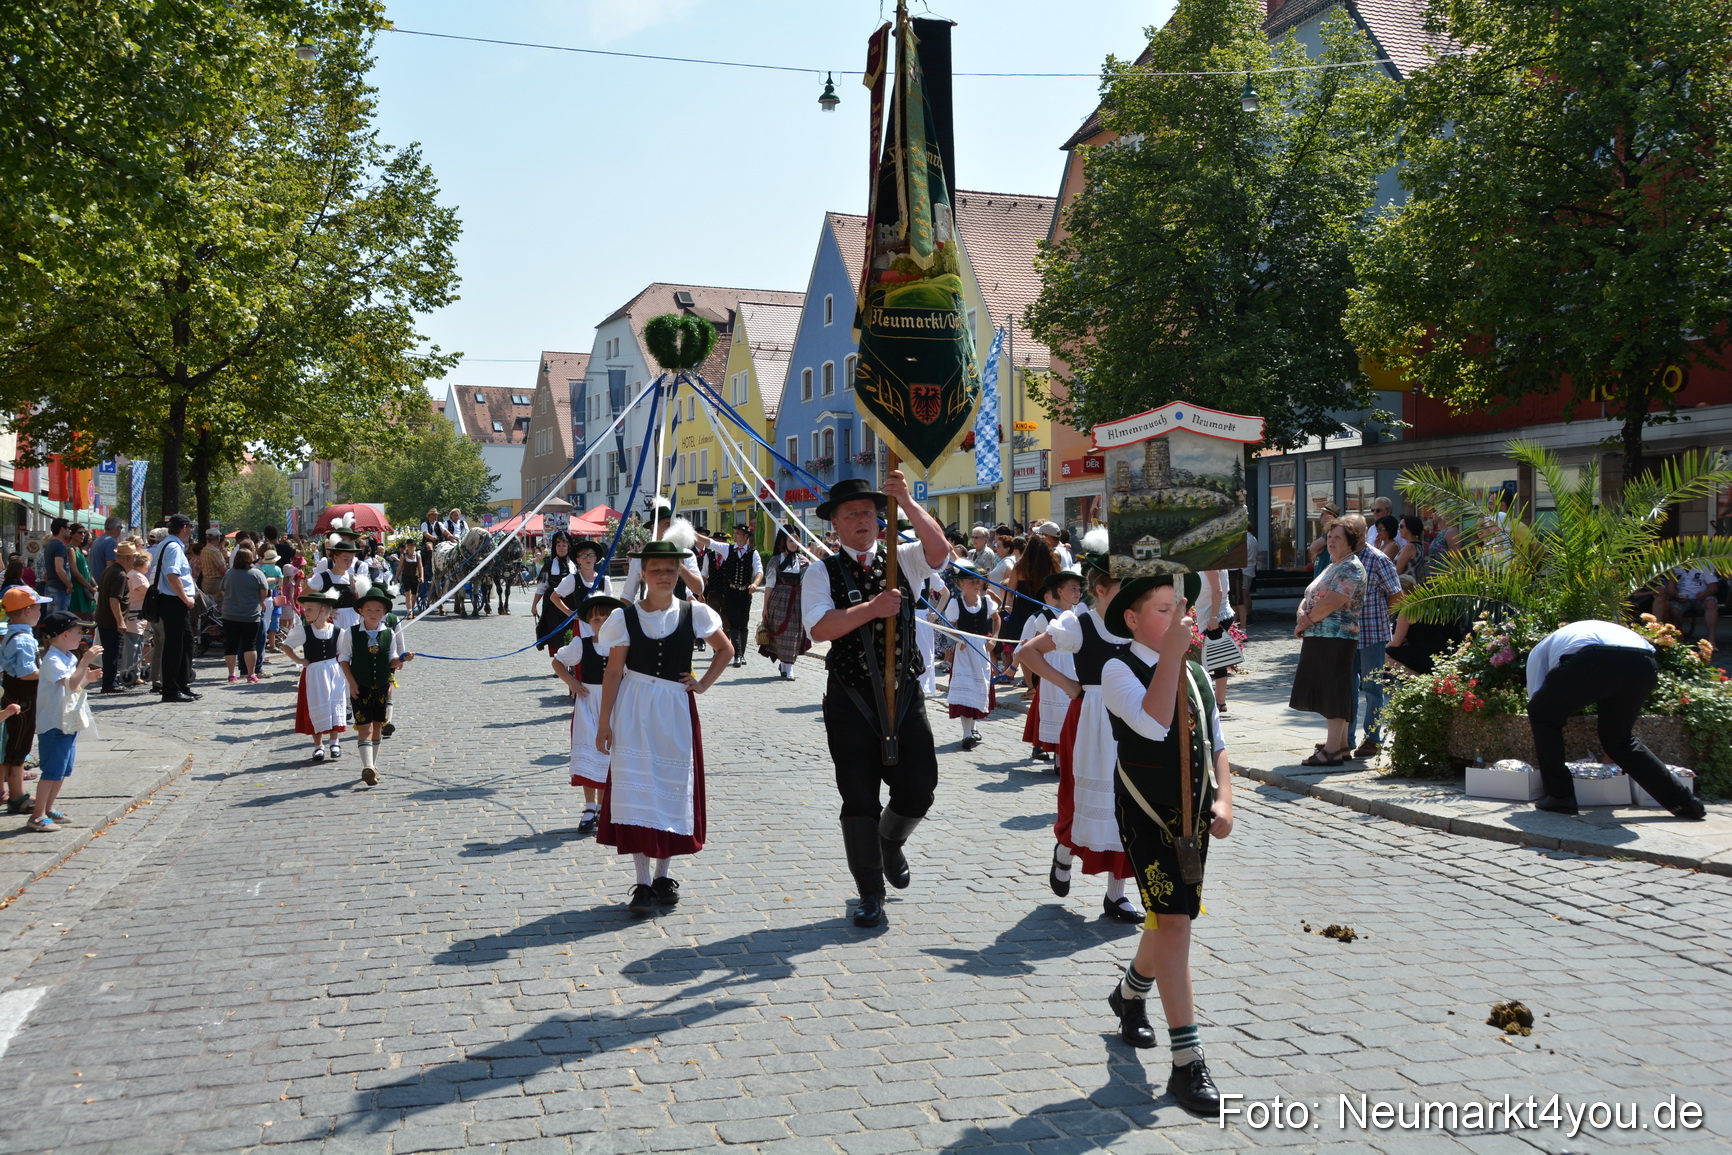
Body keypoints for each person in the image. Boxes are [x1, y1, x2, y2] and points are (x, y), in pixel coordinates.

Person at [1099, 572, 1233, 1118]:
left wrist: (1226, 799)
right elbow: (1153, 725)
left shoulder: (1198, 674)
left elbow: (1217, 741)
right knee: (1175, 920)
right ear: (1131, 620)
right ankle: (1188, 1060)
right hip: (1148, 817)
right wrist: (1174, 657)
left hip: (1195, 820)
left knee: (1169, 916)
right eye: (1160, 610)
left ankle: (1129, 993)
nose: (1176, 618)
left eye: (1178, 608)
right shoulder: (1117, 668)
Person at [802, 474, 951, 929]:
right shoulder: (820, 570)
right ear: (836, 525)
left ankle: (890, 841)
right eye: (852, 514)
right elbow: (820, 629)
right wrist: (871, 609)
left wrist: (904, 498)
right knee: (859, 798)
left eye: (868, 512)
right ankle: (870, 892)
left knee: (918, 788)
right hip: (852, 700)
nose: (862, 520)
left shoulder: (901, 559)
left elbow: (940, 553)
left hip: (905, 696)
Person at [594, 540, 733, 916]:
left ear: (679, 574)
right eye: (655, 569)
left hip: (674, 708)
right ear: (642, 573)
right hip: (635, 706)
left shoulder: (695, 612)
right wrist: (604, 722)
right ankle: (641, 882)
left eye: (670, 570)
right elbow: (612, 671)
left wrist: (702, 684)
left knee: (670, 789)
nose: (663, 576)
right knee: (638, 789)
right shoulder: (624, 617)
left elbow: (726, 650)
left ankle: (663, 875)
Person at [1015, 534, 1139, 924]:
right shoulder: (1079, 622)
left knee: (1130, 800)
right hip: (1090, 720)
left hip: (1131, 718)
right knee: (1079, 797)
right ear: (1101, 588)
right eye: (1124, 587)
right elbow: (1026, 652)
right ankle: (1064, 851)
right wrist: (1070, 686)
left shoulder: (1137, 621)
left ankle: (1115, 895)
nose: (1132, 595)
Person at [1526, 620, 1706, 820]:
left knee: (1541, 714)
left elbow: (1539, 701)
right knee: (1619, 740)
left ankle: (1559, 796)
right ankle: (1684, 802)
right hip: (1643, 663)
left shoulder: (1537, 653)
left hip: (1596, 658)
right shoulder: (1570, 636)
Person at [1288, 519, 1366, 765]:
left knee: (1333, 691)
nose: (1331, 541)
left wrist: (1305, 621)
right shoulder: (1334, 565)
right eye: (1330, 536)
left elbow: (1333, 601)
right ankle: (1340, 745)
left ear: (1351, 542)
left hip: (1336, 637)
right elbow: (1310, 595)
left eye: (1338, 538)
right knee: (1333, 689)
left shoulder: (1351, 567)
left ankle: (1332, 751)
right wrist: (1303, 613)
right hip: (1321, 636)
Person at [552, 593, 625, 832]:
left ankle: (605, 807)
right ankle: (589, 805)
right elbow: (557, 661)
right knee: (589, 752)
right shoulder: (581, 644)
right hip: (588, 703)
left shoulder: (622, 646)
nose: (601, 624)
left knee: (607, 755)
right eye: (596, 620)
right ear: (588, 623)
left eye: (606, 619)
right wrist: (571, 683)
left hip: (614, 704)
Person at [27, 610, 101, 833]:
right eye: (79, 632)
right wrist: (86, 661)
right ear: (63, 634)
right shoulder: (52, 660)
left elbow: (75, 688)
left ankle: (48, 808)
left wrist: (88, 677)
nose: (83, 636)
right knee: (51, 772)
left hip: (68, 722)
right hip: (54, 724)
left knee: (62, 771)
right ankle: (37, 815)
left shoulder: (68, 657)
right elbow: (68, 684)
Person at [1342, 513, 1403, 760]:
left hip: (1371, 634)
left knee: (1372, 688)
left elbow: (1396, 595)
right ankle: (1345, 739)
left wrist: (1382, 620)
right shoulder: (1343, 559)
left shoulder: (1378, 560)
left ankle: (1372, 739)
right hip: (1346, 635)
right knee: (1348, 688)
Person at [339, 588, 407, 786]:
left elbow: (391, 660)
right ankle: (367, 766)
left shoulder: (388, 633)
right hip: (361, 688)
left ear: (384, 613)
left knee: (378, 726)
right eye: (369, 609)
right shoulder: (350, 633)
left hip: (381, 688)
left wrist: (403, 658)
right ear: (361, 611)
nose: (373, 613)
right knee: (364, 727)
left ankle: (372, 765)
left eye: (378, 610)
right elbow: (343, 659)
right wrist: (351, 683)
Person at [1017, 569, 1083, 765]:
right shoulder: (1044, 616)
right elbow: (1034, 647)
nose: (1078, 593)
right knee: (1057, 709)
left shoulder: (1079, 615)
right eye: (1073, 588)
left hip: (1072, 663)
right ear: (1060, 591)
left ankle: (1066, 755)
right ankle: (1058, 758)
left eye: (1079, 589)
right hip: (1054, 664)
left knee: (1070, 707)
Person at [279, 589, 347, 762]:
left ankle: (334, 741)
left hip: (333, 672)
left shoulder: (338, 631)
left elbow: (344, 651)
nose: (305, 612)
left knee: (334, 704)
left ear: (322, 610)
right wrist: (300, 660)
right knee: (316, 705)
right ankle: (318, 746)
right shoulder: (303, 631)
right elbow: (286, 645)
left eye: (310, 609)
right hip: (314, 673)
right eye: (305, 608)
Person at [1, 588, 51, 816]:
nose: (41, 611)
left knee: (16, 746)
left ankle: (15, 792)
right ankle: (17, 796)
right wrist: (47, 672)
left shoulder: (14, 633)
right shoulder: (22, 639)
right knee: (19, 748)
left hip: (17, 695)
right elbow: (25, 672)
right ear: (28, 610)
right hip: (22, 698)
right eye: (38, 607)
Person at [942, 562, 1000, 750]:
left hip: (981, 649)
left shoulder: (986, 602)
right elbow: (949, 626)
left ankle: (973, 729)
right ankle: (966, 733)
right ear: (961, 585)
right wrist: (959, 639)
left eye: (977, 581)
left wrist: (994, 639)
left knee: (979, 686)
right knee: (965, 687)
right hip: (964, 651)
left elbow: (997, 619)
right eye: (970, 582)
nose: (975, 585)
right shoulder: (955, 603)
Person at [151, 514, 200, 703]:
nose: (192, 531)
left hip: (174, 600)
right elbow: (172, 576)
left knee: (186, 643)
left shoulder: (170, 544)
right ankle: (171, 689)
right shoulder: (173, 547)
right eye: (190, 528)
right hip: (173, 601)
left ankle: (182, 684)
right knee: (174, 646)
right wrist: (186, 598)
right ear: (185, 528)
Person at [698, 523, 761, 667]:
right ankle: (737, 656)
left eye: (738, 533)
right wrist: (693, 533)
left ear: (746, 536)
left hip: (745, 592)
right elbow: (710, 543)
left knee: (744, 624)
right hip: (730, 592)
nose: (735, 535)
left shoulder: (753, 552)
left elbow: (759, 571)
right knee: (733, 623)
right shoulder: (728, 549)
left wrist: (755, 584)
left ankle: (742, 654)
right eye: (736, 533)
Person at [759, 527, 813, 680]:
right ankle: (785, 664)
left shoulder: (804, 562)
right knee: (780, 633)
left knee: (793, 633)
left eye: (796, 540)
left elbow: (806, 585)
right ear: (784, 542)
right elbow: (769, 584)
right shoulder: (775, 560)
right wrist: (765, 607)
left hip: (796, 601)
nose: (794, 543)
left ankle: (788, 666)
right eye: (790, 540)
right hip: (778, 600)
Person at [623, 501, 705, 602]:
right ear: (653, 528)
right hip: (650, 614)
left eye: (674, 525)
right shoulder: (640, 558)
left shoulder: (686, 555)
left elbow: (699, 589)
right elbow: (627, 596)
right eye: (667, 524)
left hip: (679, 614)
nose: (672, 529)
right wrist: (631, 616)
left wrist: (679, 566)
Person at [219, 548, 271, 683]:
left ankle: (231, 674)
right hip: (251, 614)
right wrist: (259, 601)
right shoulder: (256, 573)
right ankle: (251, 674)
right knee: (250, 644)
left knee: (231, 644)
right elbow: (264, 592)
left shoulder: (229, 573)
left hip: (230, 614)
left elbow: (223, 591)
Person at [531, 532, 578, 651]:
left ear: (568, 547)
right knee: (555, 633)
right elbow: (541, 587)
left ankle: (572, 663)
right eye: (558, 545)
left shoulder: (575, 565)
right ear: (554, 547)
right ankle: (558, 662)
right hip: (553, 605)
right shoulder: (549, 565)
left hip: (572, 603)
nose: (561, 548)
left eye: (564, 545)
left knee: (572, 631)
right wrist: (534, 605)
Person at [94, 543, 130, 693]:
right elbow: (114, 599)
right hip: (110, 620)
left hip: (104, 618)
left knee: (110, 652)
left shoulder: (109, 570)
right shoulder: (119, 574)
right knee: (112, 653)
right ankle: (109, 684)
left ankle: (109, 682)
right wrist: (120, 621)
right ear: (128, 558)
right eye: (133, 557)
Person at [1658, 566, 1721, 651]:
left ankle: (1711, 639)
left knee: (1711, 603)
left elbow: (1714, 587)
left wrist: (1704, 594)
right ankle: (1680, 639)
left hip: (1702, 598)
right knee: (1674, 611)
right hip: (1683, 599)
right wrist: (1677, 595)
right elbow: (1671, 591)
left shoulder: (1704, 565)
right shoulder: (1674, 567)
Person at [121, 546, 150, 688]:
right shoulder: (136, 576)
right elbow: (147, 592)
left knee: (136, 645)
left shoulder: (133, 574)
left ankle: (134, 671)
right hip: (135, 616)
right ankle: (131, 672)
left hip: (136, 615)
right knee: (134, 645)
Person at [256, 546, 284, 674]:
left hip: (265, 593)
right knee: (271, 619)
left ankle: (263, 649)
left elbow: (262, 581)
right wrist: (279, 587)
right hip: (273, 592)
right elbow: (280, 581)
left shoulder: (263, 568)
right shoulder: (277, 568)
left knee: (265, 621)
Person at [41, 518, 73, 614]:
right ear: (62, 530)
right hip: (59, 589)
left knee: (51, 620)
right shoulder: (60, 546)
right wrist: (69, 585)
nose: (70, 531)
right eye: (68, 528)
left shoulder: (49, 545)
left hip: (51, 586)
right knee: (59, 620)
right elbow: (59, 569)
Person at [1392, 515, 1425, 579]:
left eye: (1401, 526)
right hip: (1412, 584)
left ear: (1409, 528)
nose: (1399, 529)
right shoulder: (1419, 545)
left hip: (1405, 585)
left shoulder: (1409, 547)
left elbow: (1398, 571)